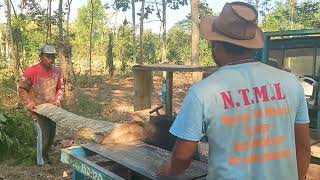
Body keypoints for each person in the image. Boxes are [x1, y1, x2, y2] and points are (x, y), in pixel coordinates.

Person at [158, 2, 311, 180]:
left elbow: (182, 157)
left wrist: (167, 171)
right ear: (251, 46)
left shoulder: (203, 92)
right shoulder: (291, 83)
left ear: (216, 45)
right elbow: (303, 148)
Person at [18, 44, 64, 165]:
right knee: (43, 136)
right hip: (37, 110)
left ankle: (45, 155)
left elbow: (60, 88)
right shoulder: (31, 71)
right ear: (41, 56)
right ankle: (41, 163)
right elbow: (22, 89)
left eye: (52, 56)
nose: (50, 59)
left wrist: (58, 99)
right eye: (47, 56)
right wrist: (28, 103)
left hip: (52, 109)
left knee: (51, 135)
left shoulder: (57, 71)